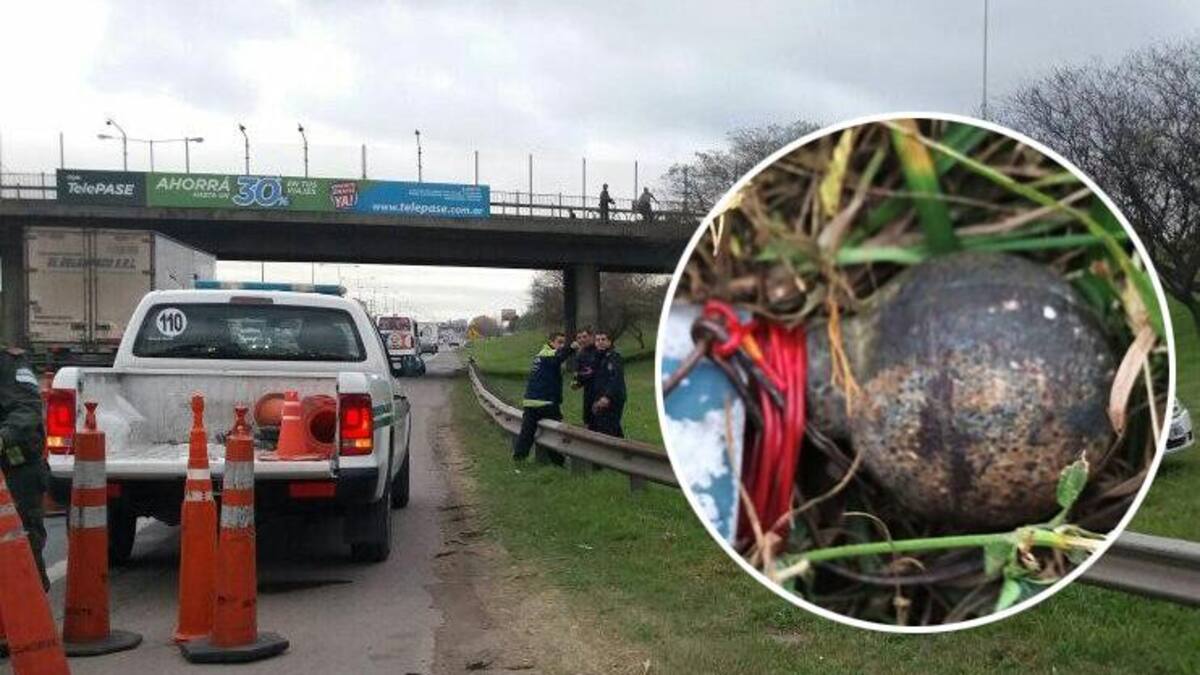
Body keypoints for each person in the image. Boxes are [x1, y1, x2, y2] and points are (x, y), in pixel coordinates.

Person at [0, 345, 49, 590]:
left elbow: (26, 410)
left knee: (22, 547)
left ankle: (32, 619)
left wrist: (4, 437)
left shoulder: (9, 363)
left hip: (14, 469)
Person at [512, 332, 576, 465]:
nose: (561, 346)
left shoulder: (540, 355)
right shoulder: (548, 354)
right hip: (545, 402)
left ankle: (519, 459)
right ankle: (559, 463)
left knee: (527, 433)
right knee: (554, 433)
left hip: (530, 402)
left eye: (563, 343)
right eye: (559, 342)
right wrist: (571, 348)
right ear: (551, 342)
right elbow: (559, 357)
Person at [589, 330, 626, 438]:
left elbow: (615, 379)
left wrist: (607, 397)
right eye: (597, 340)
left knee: (608, 429)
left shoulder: (614, 357)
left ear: (609, 342)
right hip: (600, 397)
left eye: (603, 339)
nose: (600, 342)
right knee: (609, 427)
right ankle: (625, 450)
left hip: (613, 398)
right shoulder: (597, 357)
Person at [570, 328, 598, 429]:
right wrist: (576, 384)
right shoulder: (580, 355)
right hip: (588, 393)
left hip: (601, 392)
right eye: (579, 338)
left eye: (585, 337)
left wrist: (585, 374)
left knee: (602, 423)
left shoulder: (599, 351)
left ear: (592, 337)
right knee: (588, 421)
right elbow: (578, 376)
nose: (582, 340)